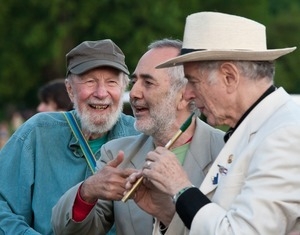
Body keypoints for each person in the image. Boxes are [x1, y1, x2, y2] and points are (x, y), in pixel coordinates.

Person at [125, 12, 300, 234]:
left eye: (193, 81)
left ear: (229, 76)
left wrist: (180, 187)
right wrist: (166, 212)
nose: (187, 93)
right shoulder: (259, 128)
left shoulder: (285, 135)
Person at [51, 38, 225, 235]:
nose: (133, 93)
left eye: (148, 83)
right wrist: (86, 192)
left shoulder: (227, 152)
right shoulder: (116, 154)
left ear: (185, 94)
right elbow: (74, 232)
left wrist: (167, 215)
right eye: (134, 81)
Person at [0, 39, 140, 235]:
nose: (101, 93)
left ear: (123, 88)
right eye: (90, 81)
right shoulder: (37, 133)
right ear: (69, 89)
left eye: (111, 82)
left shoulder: (141, 138)